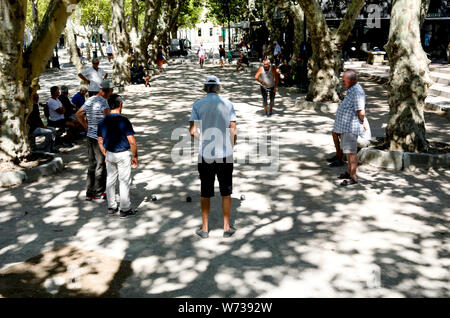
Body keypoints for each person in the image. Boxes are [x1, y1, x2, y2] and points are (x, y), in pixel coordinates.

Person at [189, 76, 237, 238]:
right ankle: (226, 227)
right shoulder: (228, 104)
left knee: (205, 191)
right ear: (218, 87)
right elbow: (233, 130)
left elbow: (192, 131)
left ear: (205, 88)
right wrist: (231, 145)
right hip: (225, 154)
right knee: (226, 191)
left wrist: (203, 140)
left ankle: (204, 228)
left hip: (206, 154)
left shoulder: (198, 104)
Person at [98, 94, 139, 218]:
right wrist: (135, 156)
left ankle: (111, 206)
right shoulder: (123, 120)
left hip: (110, 153)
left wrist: (105, 153)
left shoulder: (103, 121)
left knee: (110, 180)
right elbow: (132, 141)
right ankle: (125, 208)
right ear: (120, 104)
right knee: (124, 181)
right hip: (123, 154)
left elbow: (100, 140)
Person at [75, 80, 113, 201]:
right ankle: (99, 191)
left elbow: (78, 114)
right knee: (101, 164)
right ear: (108, 91)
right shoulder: (104, 102)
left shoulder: (90, 99)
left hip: (90, 136)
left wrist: (86, 127)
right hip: (100, 138)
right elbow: (108, 122)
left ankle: (89, 191)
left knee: (92, 164)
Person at [331, 70, 366, 186]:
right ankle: (349, 172)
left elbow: (361, 111)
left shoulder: (357, 91)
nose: (342, 81)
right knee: (348, 151)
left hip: (351, 127)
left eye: (344, 79)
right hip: (345, 127)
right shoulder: (352, 89)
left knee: (351, 153)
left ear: (350, 80)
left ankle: (353, 177)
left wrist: (363, 122)